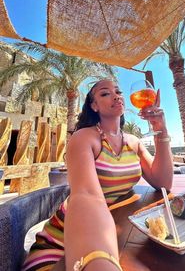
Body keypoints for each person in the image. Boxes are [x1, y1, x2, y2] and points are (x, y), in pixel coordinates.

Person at [22, 79, 173, 271]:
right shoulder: (85, 137)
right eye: (105, 93)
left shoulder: (133, 142)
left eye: (118, 91)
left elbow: (163, 181)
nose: (116, 95)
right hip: (60, 245)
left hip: (111, 229)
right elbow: (86, 195)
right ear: (94, 105)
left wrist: (161, 129)